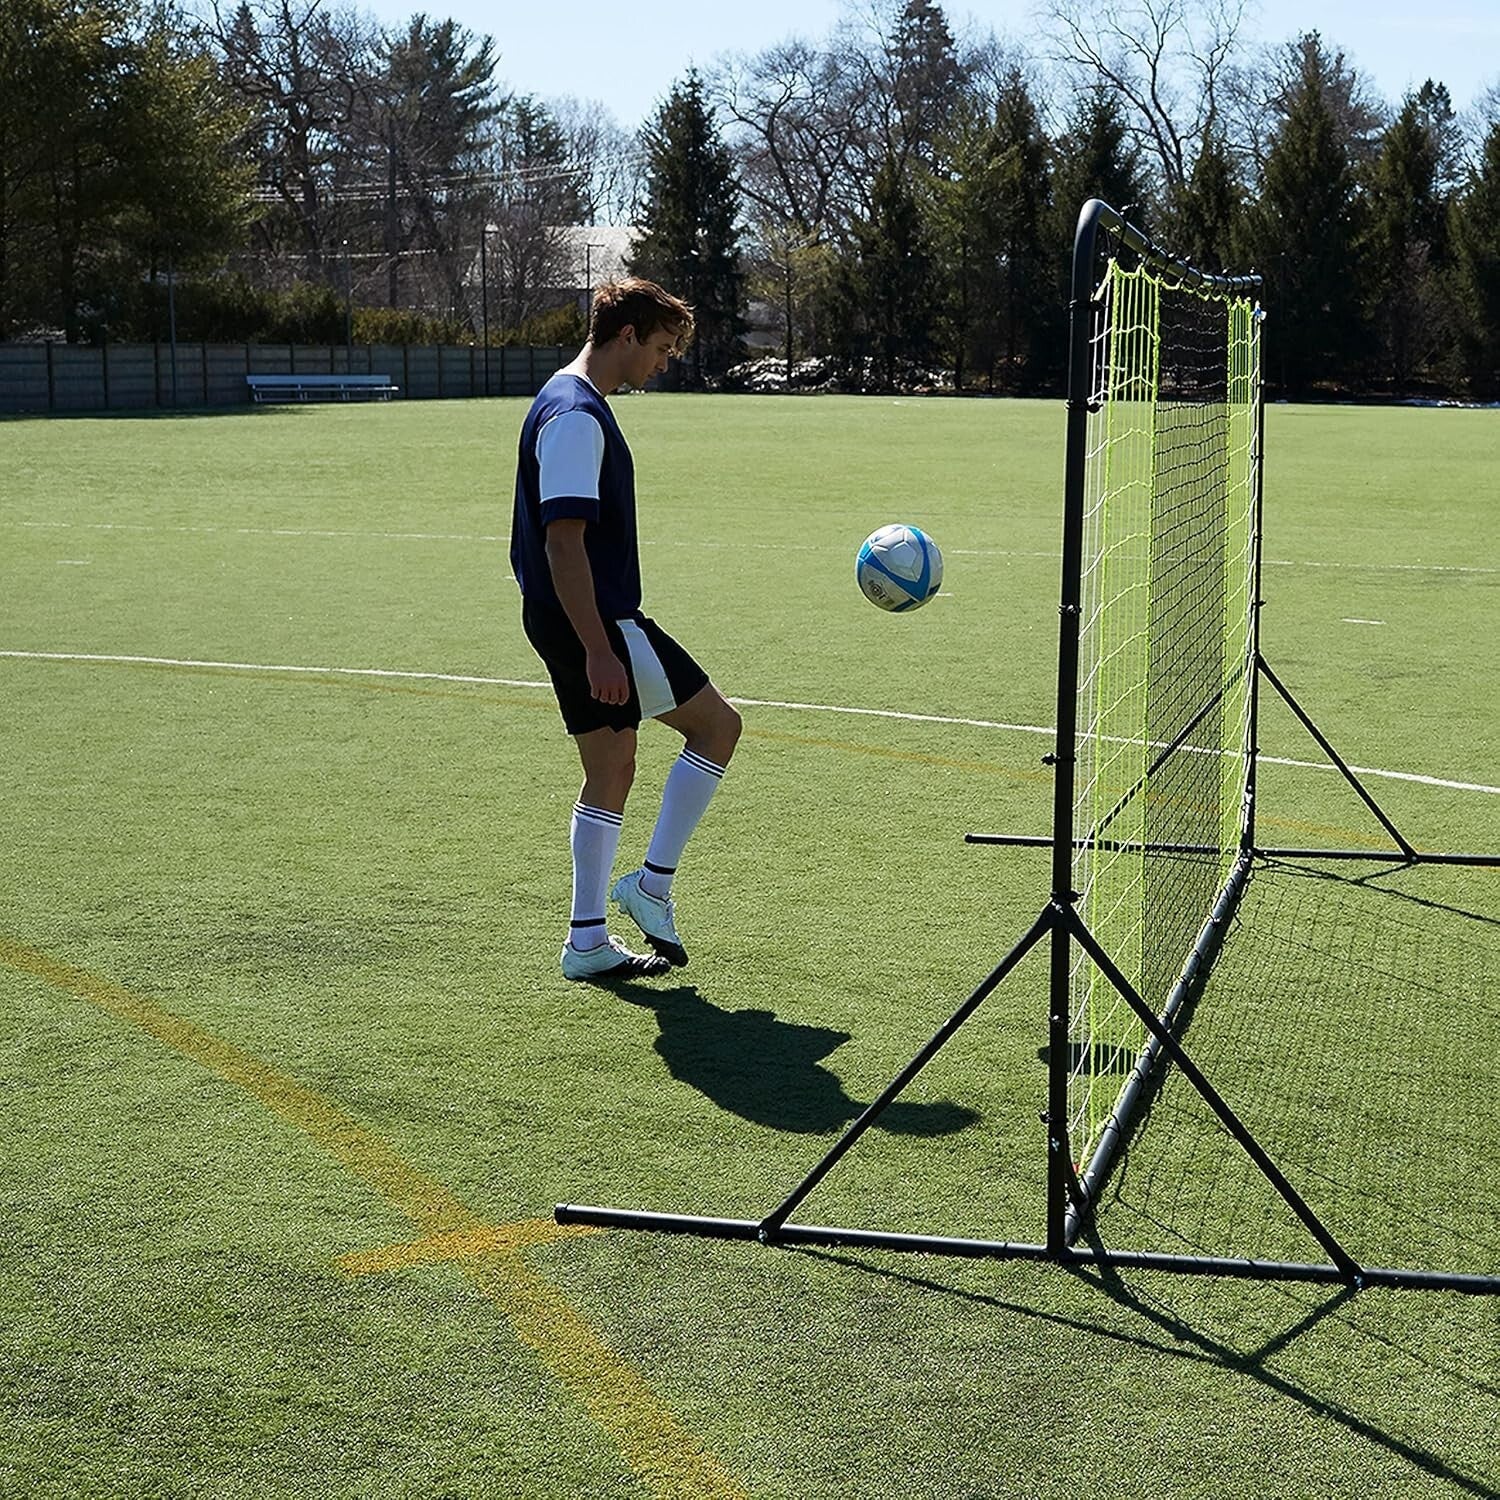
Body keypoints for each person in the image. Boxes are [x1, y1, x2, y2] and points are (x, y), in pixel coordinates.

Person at [510, 277, 742, 982]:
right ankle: (652, 886)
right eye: (662, 348)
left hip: (568, 617)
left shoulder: (565, 397)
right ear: (626, 335)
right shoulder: (577, 415)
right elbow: (563, 543)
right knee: (717, 728)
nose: (664, 363)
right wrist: (599, 648)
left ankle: (586, 941)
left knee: (610, 768)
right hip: (597, 620)